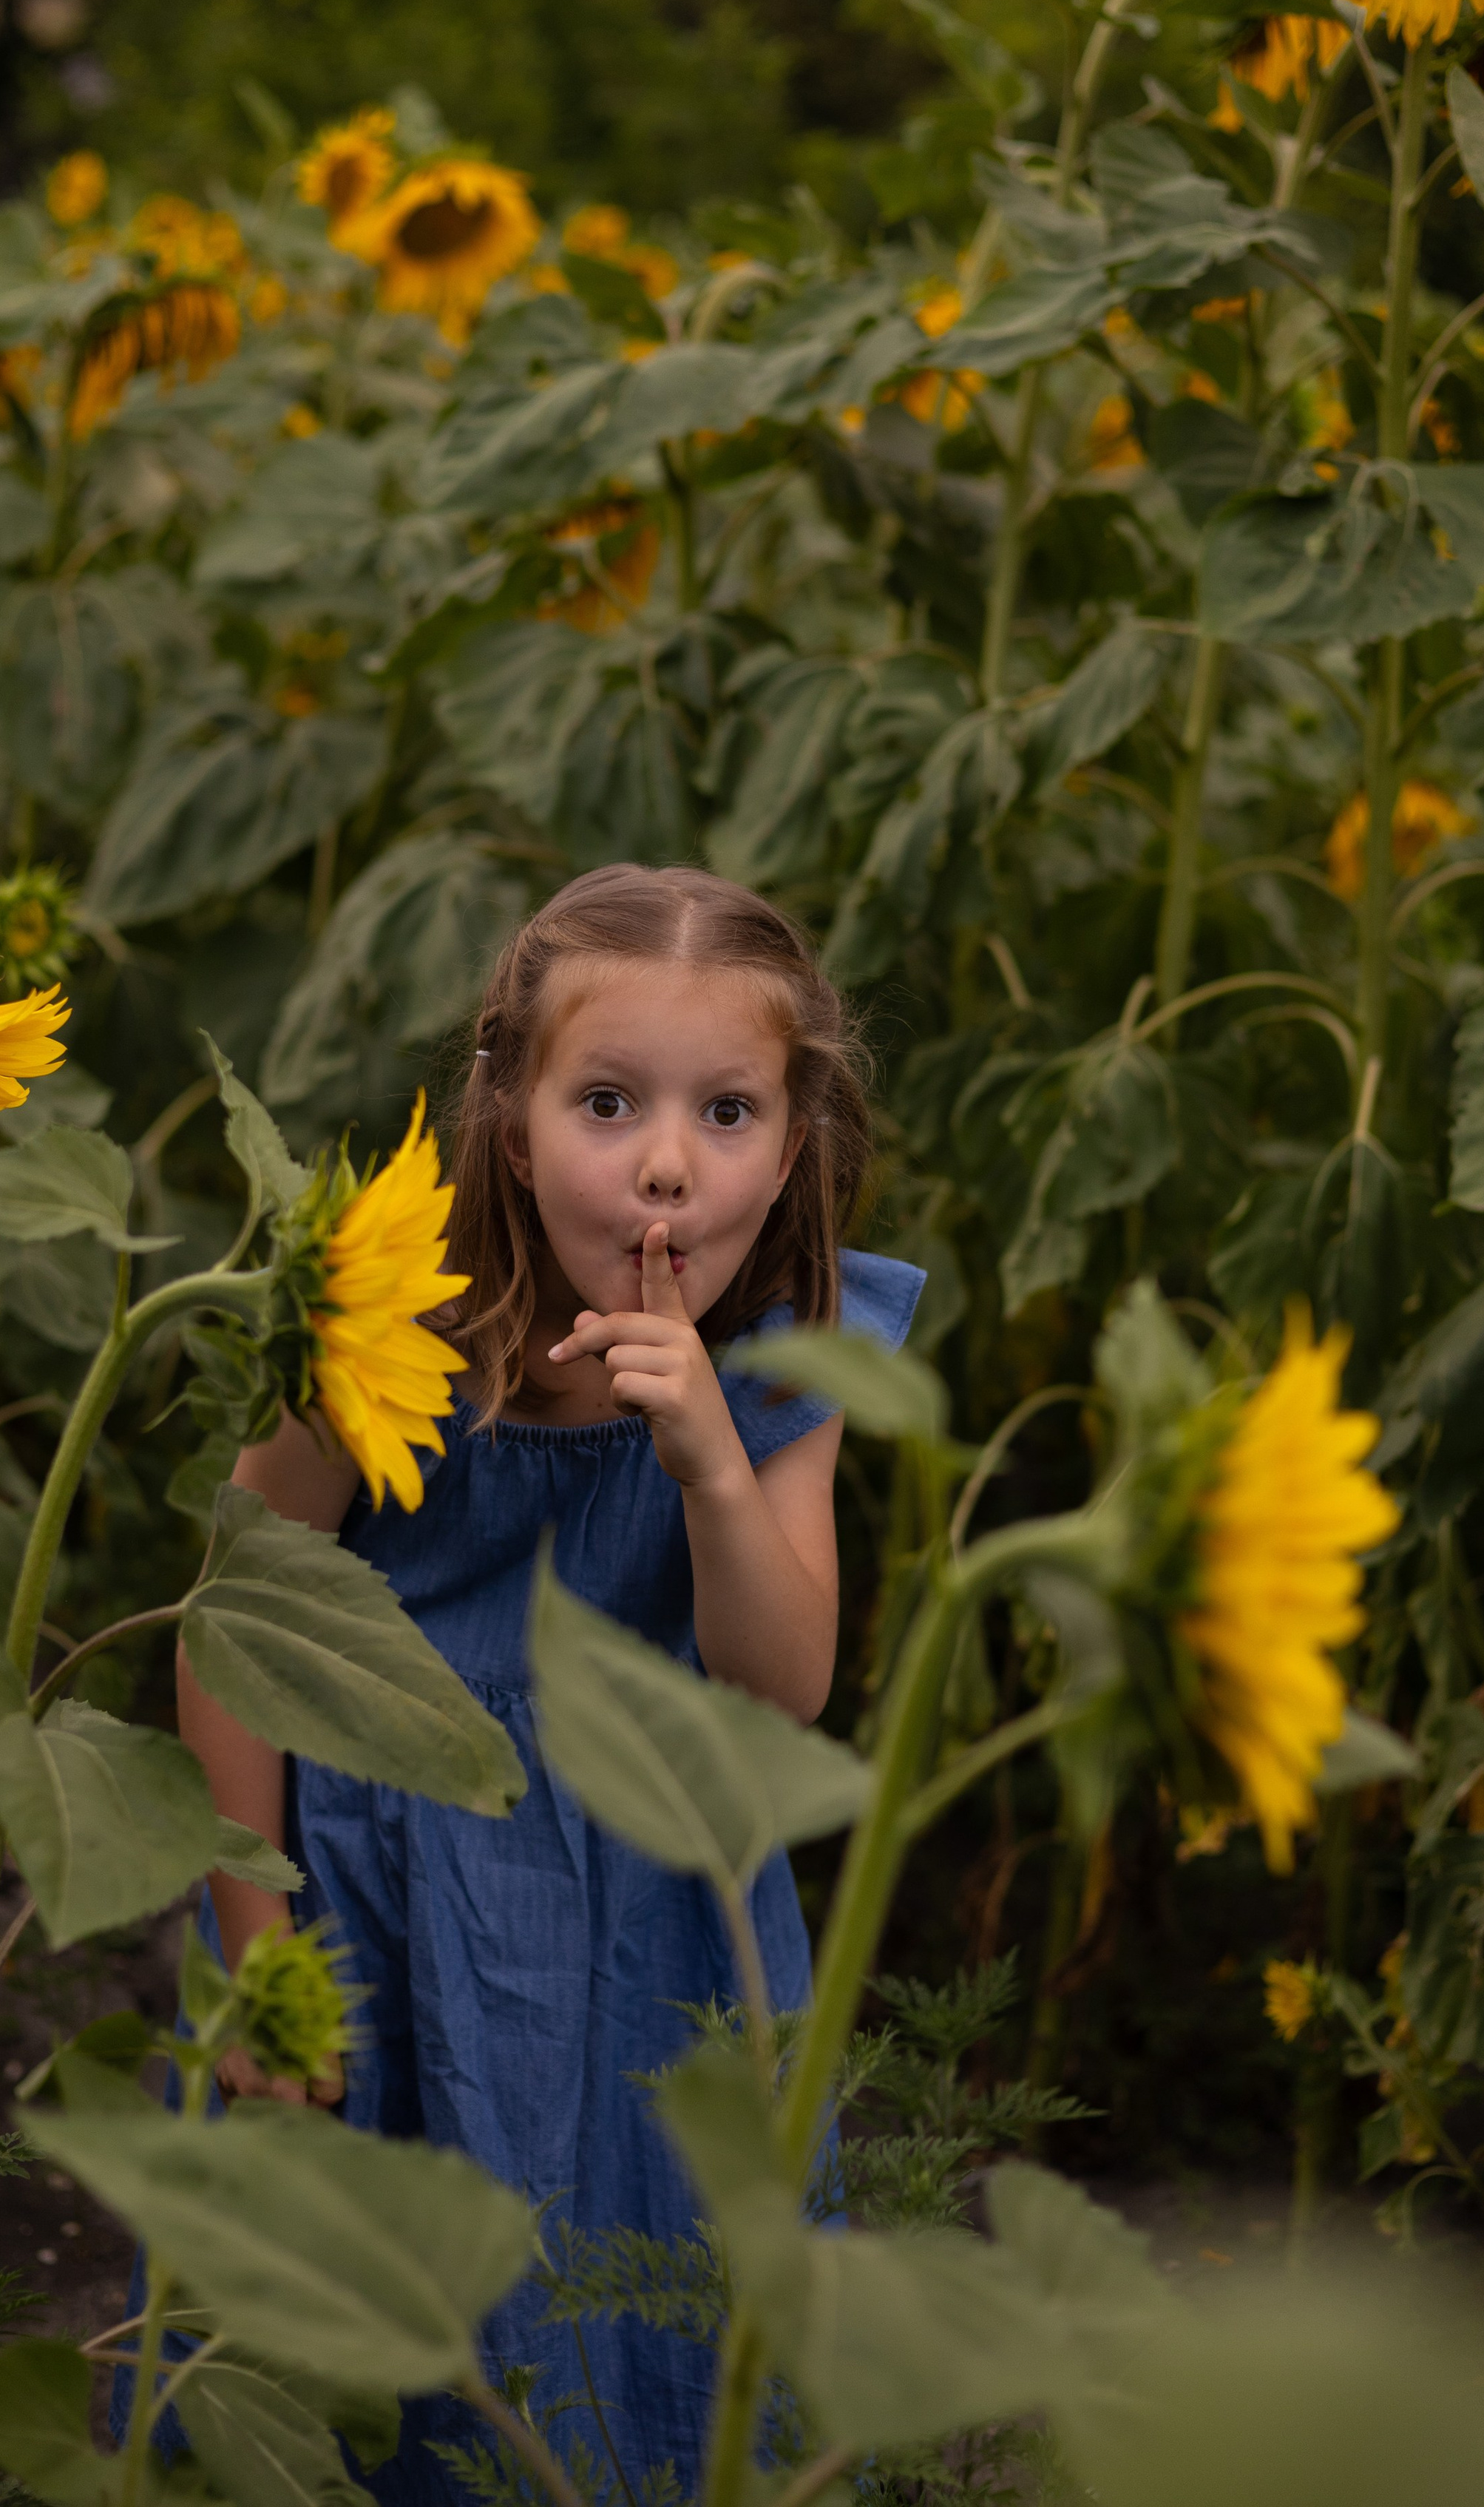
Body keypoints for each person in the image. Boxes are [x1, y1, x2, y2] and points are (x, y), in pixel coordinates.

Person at [168, 863, 923, 2499]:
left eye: (726, 1111)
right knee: (366, 2335)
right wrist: (254, 1947)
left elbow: (778, 1686)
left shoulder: (789, 1348)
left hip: (649, 1920)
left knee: (641, 2301)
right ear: (509, 1121)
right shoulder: (395, 1326)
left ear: (792, 1144)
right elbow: (231, 1617)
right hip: (383, 1892)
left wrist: (711, 1460)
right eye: (606, 1101)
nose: (665, 1163)